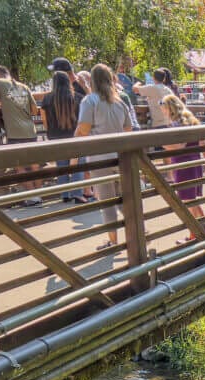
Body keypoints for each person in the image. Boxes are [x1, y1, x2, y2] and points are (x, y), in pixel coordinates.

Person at [75, 63, 133, 250]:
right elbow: (128, 128)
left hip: (99, 157)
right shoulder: (119, 102)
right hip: (121, 156)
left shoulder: (89, 101)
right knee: (124, 198)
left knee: (106, 200)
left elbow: (83, 129)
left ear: (92, 80)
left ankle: (113, 240)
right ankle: (139, 230)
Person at [0, 65, 41, 207]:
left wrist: (1, 104)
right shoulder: (24, 86)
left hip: (15, 132)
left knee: (20, 166)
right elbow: (34, 111)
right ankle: (40, 193)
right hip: (30, 131)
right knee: (35, 164)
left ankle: (32, 196)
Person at [161, 94, 205, 241]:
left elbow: (179, 146)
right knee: (192, 198)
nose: (162, 111)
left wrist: (161, 142)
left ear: (169, 108)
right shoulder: (191, 120)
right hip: (195, 162)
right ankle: (204, 227)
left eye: (163, 108)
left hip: (183, 164)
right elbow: (202, 143)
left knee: (187, 200)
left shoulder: (177, 123)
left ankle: (193, 234)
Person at [40, 71, 84, 202]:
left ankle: (65, 194)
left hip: (55, 137)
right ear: (68, 81)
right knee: (78, 165)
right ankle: (77, 193)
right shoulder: (78, 97)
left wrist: (50, 132)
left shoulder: (47, 98)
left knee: (61, 165)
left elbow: (44, 118)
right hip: (74, 136)